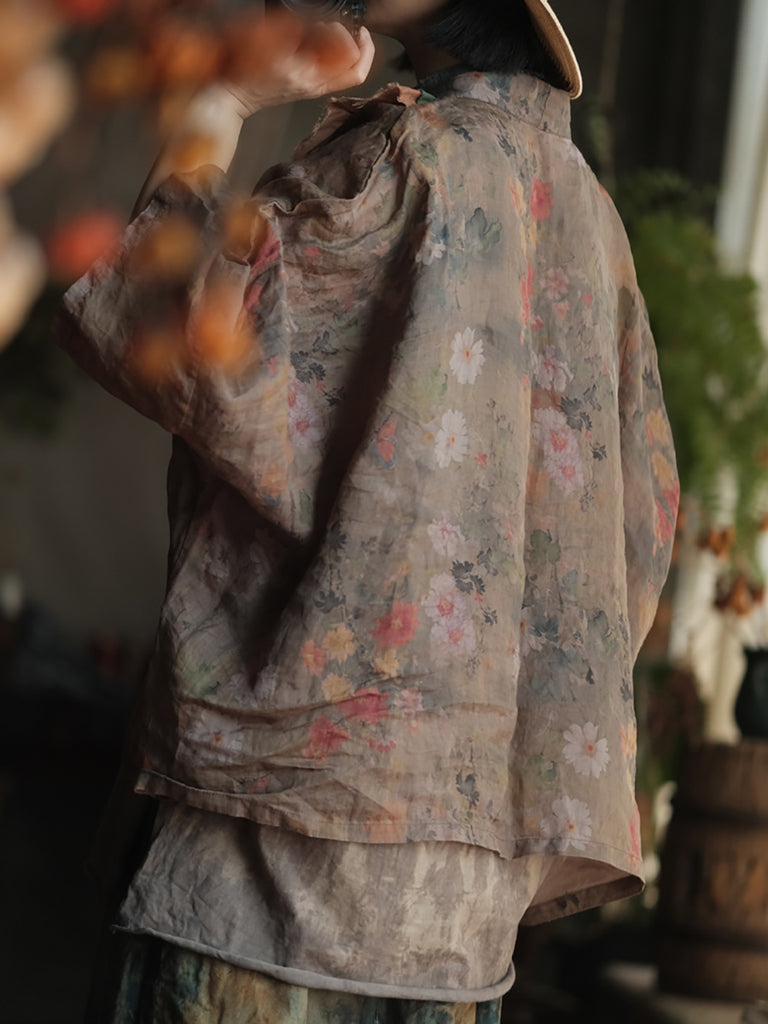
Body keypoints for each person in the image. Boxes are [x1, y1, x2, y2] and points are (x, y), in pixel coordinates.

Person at [56, 1, 679, 1021]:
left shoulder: (396, 160)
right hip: (458, 924)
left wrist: (222, 98)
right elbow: (640, 538)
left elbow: (167, 328)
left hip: (271, 879)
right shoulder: (591, 214)